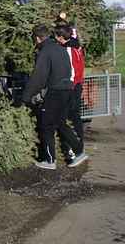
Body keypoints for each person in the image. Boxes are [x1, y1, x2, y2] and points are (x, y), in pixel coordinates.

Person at [22, 25, 88, 169]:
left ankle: (49, 160)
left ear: (38, 38)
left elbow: (38, 77)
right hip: (67, 90)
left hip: (55, 91)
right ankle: (79, 151)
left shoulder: (45, 51)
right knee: (60, 122)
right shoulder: (60, 48)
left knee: (46, 124)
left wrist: (26, 97)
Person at [54, 24, 86, 163]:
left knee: (64, 118)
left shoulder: (68, 50)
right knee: (75, 116)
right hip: (77, 85)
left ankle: (75, 149)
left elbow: (71, 70)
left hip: (71, 87)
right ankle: (77, 145)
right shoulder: (77, 46)